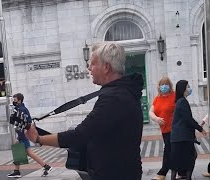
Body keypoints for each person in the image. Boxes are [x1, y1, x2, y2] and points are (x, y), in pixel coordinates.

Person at [25, 42, 144, 180]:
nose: (89, 68)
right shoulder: (122, 93)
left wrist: (39, 139)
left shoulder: (114, 98)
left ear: (106, 67)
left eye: (93, 64)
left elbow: (80, 135)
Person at [7, 93, 52, 178]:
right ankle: (17, 171)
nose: (13, 100)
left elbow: (26, 122)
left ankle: (46, 167)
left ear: (19, 99)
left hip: (23, 135)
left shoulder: (21, 109)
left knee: (24, 151)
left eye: (15, 99)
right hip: (22, 134)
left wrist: (23, 132)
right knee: (22, 151)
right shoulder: (21, 109)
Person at [170, 80, 207, 180]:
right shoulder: (182, 102)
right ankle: (187, 177)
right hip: (183, 136)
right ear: (183, 89)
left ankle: (181, 176)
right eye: (188, 87)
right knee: (190, 157)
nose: (189, 89)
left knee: (177, 160)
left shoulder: (179, 101)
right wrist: (200, 129)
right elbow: (188, 119)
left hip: (178, 136)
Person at [149, 76, 176, 180]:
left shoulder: (174, 96)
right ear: (159, 87)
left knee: (168, 150)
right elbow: (151, 112)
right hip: (164, 130)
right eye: (162, 84)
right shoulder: (157, 99)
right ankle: (180, 171)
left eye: (166, 84)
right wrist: (156, 118)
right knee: (171, 150)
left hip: (174, 129)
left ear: (170, 86)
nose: (164, 86)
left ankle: (163, 173)